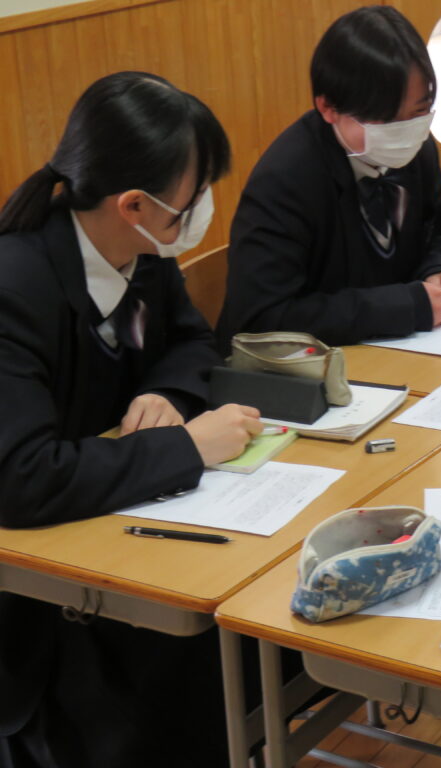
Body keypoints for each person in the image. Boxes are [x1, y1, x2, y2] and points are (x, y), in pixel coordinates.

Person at [0, 71, 261, 768]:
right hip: (42, 600)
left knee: (246, 632)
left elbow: (193, 342)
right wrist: (187, 448)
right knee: (196, 670)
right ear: (135, 205)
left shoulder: (143, 252)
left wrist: (169, 393)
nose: (200, 211)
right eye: (193, 199)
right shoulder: (15, 286)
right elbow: (21, 479)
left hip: (120, 532)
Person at [217, 5, 441, 349]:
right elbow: (264, 318)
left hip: (398, 353)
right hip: (305, 366)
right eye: (386, 119)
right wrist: (404, 306)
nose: (405, 131)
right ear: (328, 108)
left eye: (419, 111)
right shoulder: (286, 180)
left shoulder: (417, 146)